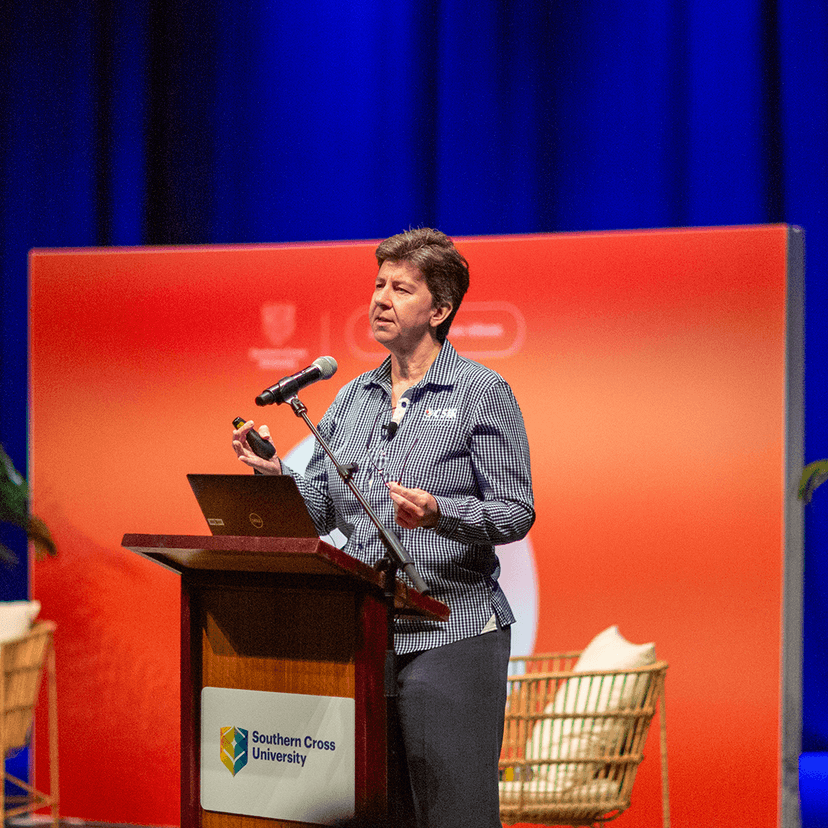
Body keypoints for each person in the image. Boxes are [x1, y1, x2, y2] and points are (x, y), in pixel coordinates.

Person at [233, 228, 535, 827]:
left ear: (440, 309)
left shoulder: (482, 392)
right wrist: (273, 477)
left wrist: (441, 512)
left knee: (455, 815)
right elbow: (319, 513)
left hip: (454, 629)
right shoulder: (350, 399)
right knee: (379, 810)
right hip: (366, 632)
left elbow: (514, 511)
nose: (380, 298)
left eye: (400, 288)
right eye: (378, 285)